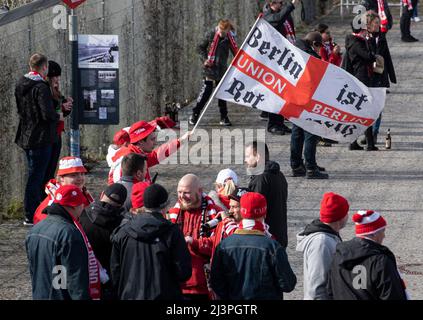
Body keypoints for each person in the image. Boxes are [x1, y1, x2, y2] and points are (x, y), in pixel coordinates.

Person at [110, 184, 192, 300]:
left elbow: (115, 272)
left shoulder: (123, 232)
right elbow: (183, 273)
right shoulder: (172, 232)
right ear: (165, 206)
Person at [210, 192, 297, 300]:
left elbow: (215, 282)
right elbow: (288, 284)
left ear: (242, 212)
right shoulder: (272, 247)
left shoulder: (224, 246)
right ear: (264, 213)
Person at [26, 185, 101, 300]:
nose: (83, 208)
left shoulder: (35, 230)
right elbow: (76, 280)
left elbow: (34, 270)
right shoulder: (70, 234)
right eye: (82, 204)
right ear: (74, 205)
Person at [15, 53, 60, 225]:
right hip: (41, 137)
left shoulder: (21, 83)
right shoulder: (40, 87)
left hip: (26, 135)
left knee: (33, 173)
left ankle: (31, 211)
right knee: (38, 176)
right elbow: (47, 114)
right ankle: (31, 213)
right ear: (43, 67)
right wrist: (58, 113)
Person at [327, 210, 408, 300]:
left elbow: (330, 290)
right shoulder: (380, 262)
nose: (384, 235)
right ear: (374, 233)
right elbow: (392, 296)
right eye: (383, 231)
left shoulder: (338, 255)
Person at [168, 174, 224, 300]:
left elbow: (219, 245)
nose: (181, 196)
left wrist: (195, 242)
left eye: (186, 192)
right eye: (179, 192)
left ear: (199, 191)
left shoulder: (216, 214)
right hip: (178, 286)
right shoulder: (171, 214)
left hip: (205, 287)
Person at [290, 32, 329, 179]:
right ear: (314, 44)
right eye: (319, 47)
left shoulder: (294, 49)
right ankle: (311, 167)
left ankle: (296, 165)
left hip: (294, 97)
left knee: (297, 133)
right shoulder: (311, 58)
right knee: (311, 133)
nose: (320, 50)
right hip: (308, 98)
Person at [296, 192, 349, 300]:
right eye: (346, 212)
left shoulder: (329, 237)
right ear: (340, 218)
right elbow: (318, 287)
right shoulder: (322, 243)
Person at [343, 12, 381, 151]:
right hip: (360, 79)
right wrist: (370, 43)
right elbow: (368, 56)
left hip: (365, 78)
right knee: (365, 111)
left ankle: (359, 142)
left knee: (362, 111)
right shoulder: (355, 41)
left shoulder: (360, 40)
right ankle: (367, 143)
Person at [189, 19, 238, 127]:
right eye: (220, 31)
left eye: (224, 32)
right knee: (206, 92)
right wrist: (205, 59)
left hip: (222, 69)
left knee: (222, 94)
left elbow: (236, 52)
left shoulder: (230, 38)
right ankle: (195, 113)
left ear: (228, 31)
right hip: (210, 68)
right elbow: (200, 47)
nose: (221, 34)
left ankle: (223, 116)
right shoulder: (211, 34)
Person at [261, 0, 300, 135]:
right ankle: (272, 124)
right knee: (274, 93)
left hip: (284, 58)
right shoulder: (266, 16)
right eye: (278, 3)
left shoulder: (285, 16)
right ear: (270, 3)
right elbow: (277, 20)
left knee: (283, 92)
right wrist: (291, 5)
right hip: (272, 60)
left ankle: (280, 122)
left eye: (282, 3)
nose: (280, 5)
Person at [108, 120, 191, 184]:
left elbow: (156, 155)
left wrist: (181, 140)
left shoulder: (136, 154)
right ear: (140, 141)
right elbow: (122, 192)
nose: (155, 142)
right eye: (152, 139)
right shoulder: (127, 160)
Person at [361, 1, 397, 144]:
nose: (378, 25)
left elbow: (387, 57)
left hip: (380, 75)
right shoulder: (362, 39)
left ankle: (374, 134)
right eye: (375, 23)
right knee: (366, 106)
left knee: (378, 106)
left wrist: (391, 76)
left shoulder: (381, 38)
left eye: (378, 23)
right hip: (367, 76)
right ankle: (367, 133)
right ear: (368, 25)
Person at [245, 141, 288, 247]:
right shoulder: (279, 174)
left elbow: (254, 210)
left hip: (265, 237)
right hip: (280, 234)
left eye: (248, 156)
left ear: (258, 157)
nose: (245, 160)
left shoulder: (260, 178)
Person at [79, 183, 127, 276]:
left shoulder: (82, 214)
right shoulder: (122, 226)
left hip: (84, 270)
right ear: (121, 205)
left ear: (102, 194)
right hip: (108, 275)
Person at [33, 156, 94, 225]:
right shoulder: (53, 203)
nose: (80, 178)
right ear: (61, 178)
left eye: (82, 174)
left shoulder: (81, 192)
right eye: (74, 175)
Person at [43, 61, 73, 184]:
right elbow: (49, 113)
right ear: (47, 77)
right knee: (45, 170)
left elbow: (60, 113)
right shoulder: (44, 90)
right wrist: (62, 108)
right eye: (54, 76)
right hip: (48, 135)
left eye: (58, 76)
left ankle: (46, 195)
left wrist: (66, 108)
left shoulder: (55, 91)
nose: (57, 79)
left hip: (56, 133)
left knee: (51, 170)